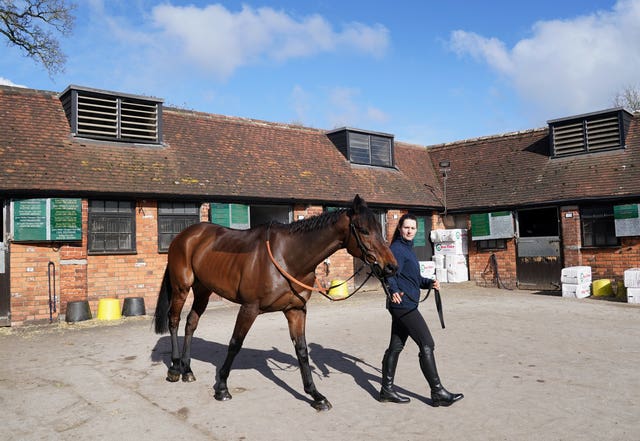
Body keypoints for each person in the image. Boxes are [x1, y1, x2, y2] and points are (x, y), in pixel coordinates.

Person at [379, 213, 463, 406]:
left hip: (403, 304)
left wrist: (429, 282)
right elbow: (389, 271)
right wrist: (393, 289)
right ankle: (438, 392)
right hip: (404, 305)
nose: (409, 231)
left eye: (413, 228)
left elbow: (411, 279)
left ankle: (386, 390)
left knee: (396, 346)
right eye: (406, 227)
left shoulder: (407, 249)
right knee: (427, 343)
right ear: (400, 228)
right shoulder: (398, 249)